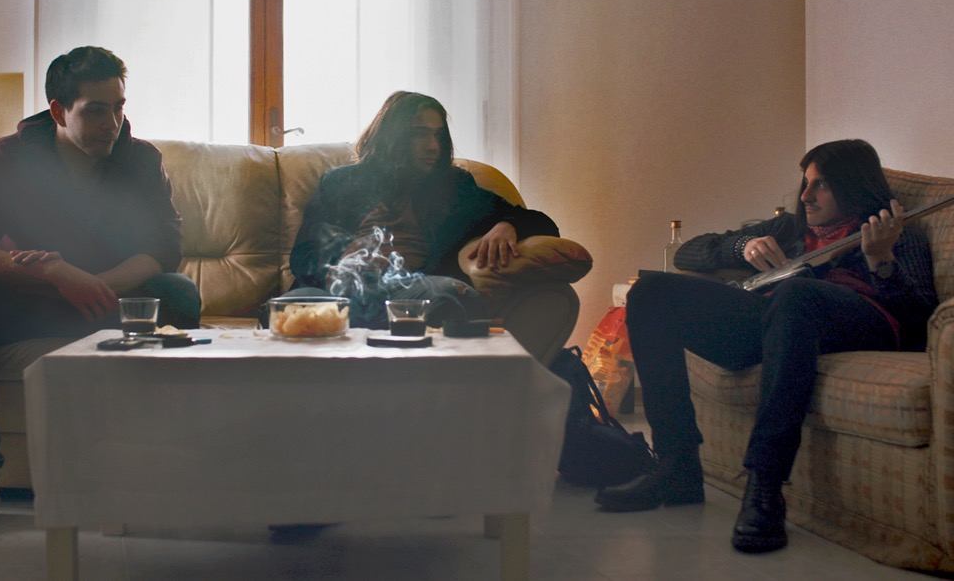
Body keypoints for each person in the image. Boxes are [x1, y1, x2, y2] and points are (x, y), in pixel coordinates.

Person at [594, 139, 937, 554]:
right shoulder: (789, 230)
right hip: (779, 322)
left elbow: (919, 318)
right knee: (650, 293)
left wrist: (881, 261)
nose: (806, 196)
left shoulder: (899, 233)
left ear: (852, 185)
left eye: (821, 185)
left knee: (796, 293)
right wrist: (744, 246)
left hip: (860, 321)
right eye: (805, 183)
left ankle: (765, 485)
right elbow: (690, 252)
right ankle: (676, 466)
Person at [0, 46, 201, 539]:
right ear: (58, 111)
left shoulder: (141, 160)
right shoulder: (6, 159)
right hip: (31, 299)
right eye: (96, 111)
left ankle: (157, 464)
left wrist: (95, 283)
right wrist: (54, 272)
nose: (112, 123)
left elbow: (166, 246)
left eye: (118, 107)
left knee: (181, 294)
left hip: (107, 300)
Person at [289, 91, 561, 328]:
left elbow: (541, 222)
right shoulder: (340, 183)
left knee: (445, 295)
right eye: (419, 134)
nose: (433, 146)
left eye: (438, 135)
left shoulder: (456, 188)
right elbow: (303, 254)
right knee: (290, 306)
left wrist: (508, 225)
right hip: (340, 290)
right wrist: (341, 261)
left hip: (411, 292)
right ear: (392, 136)